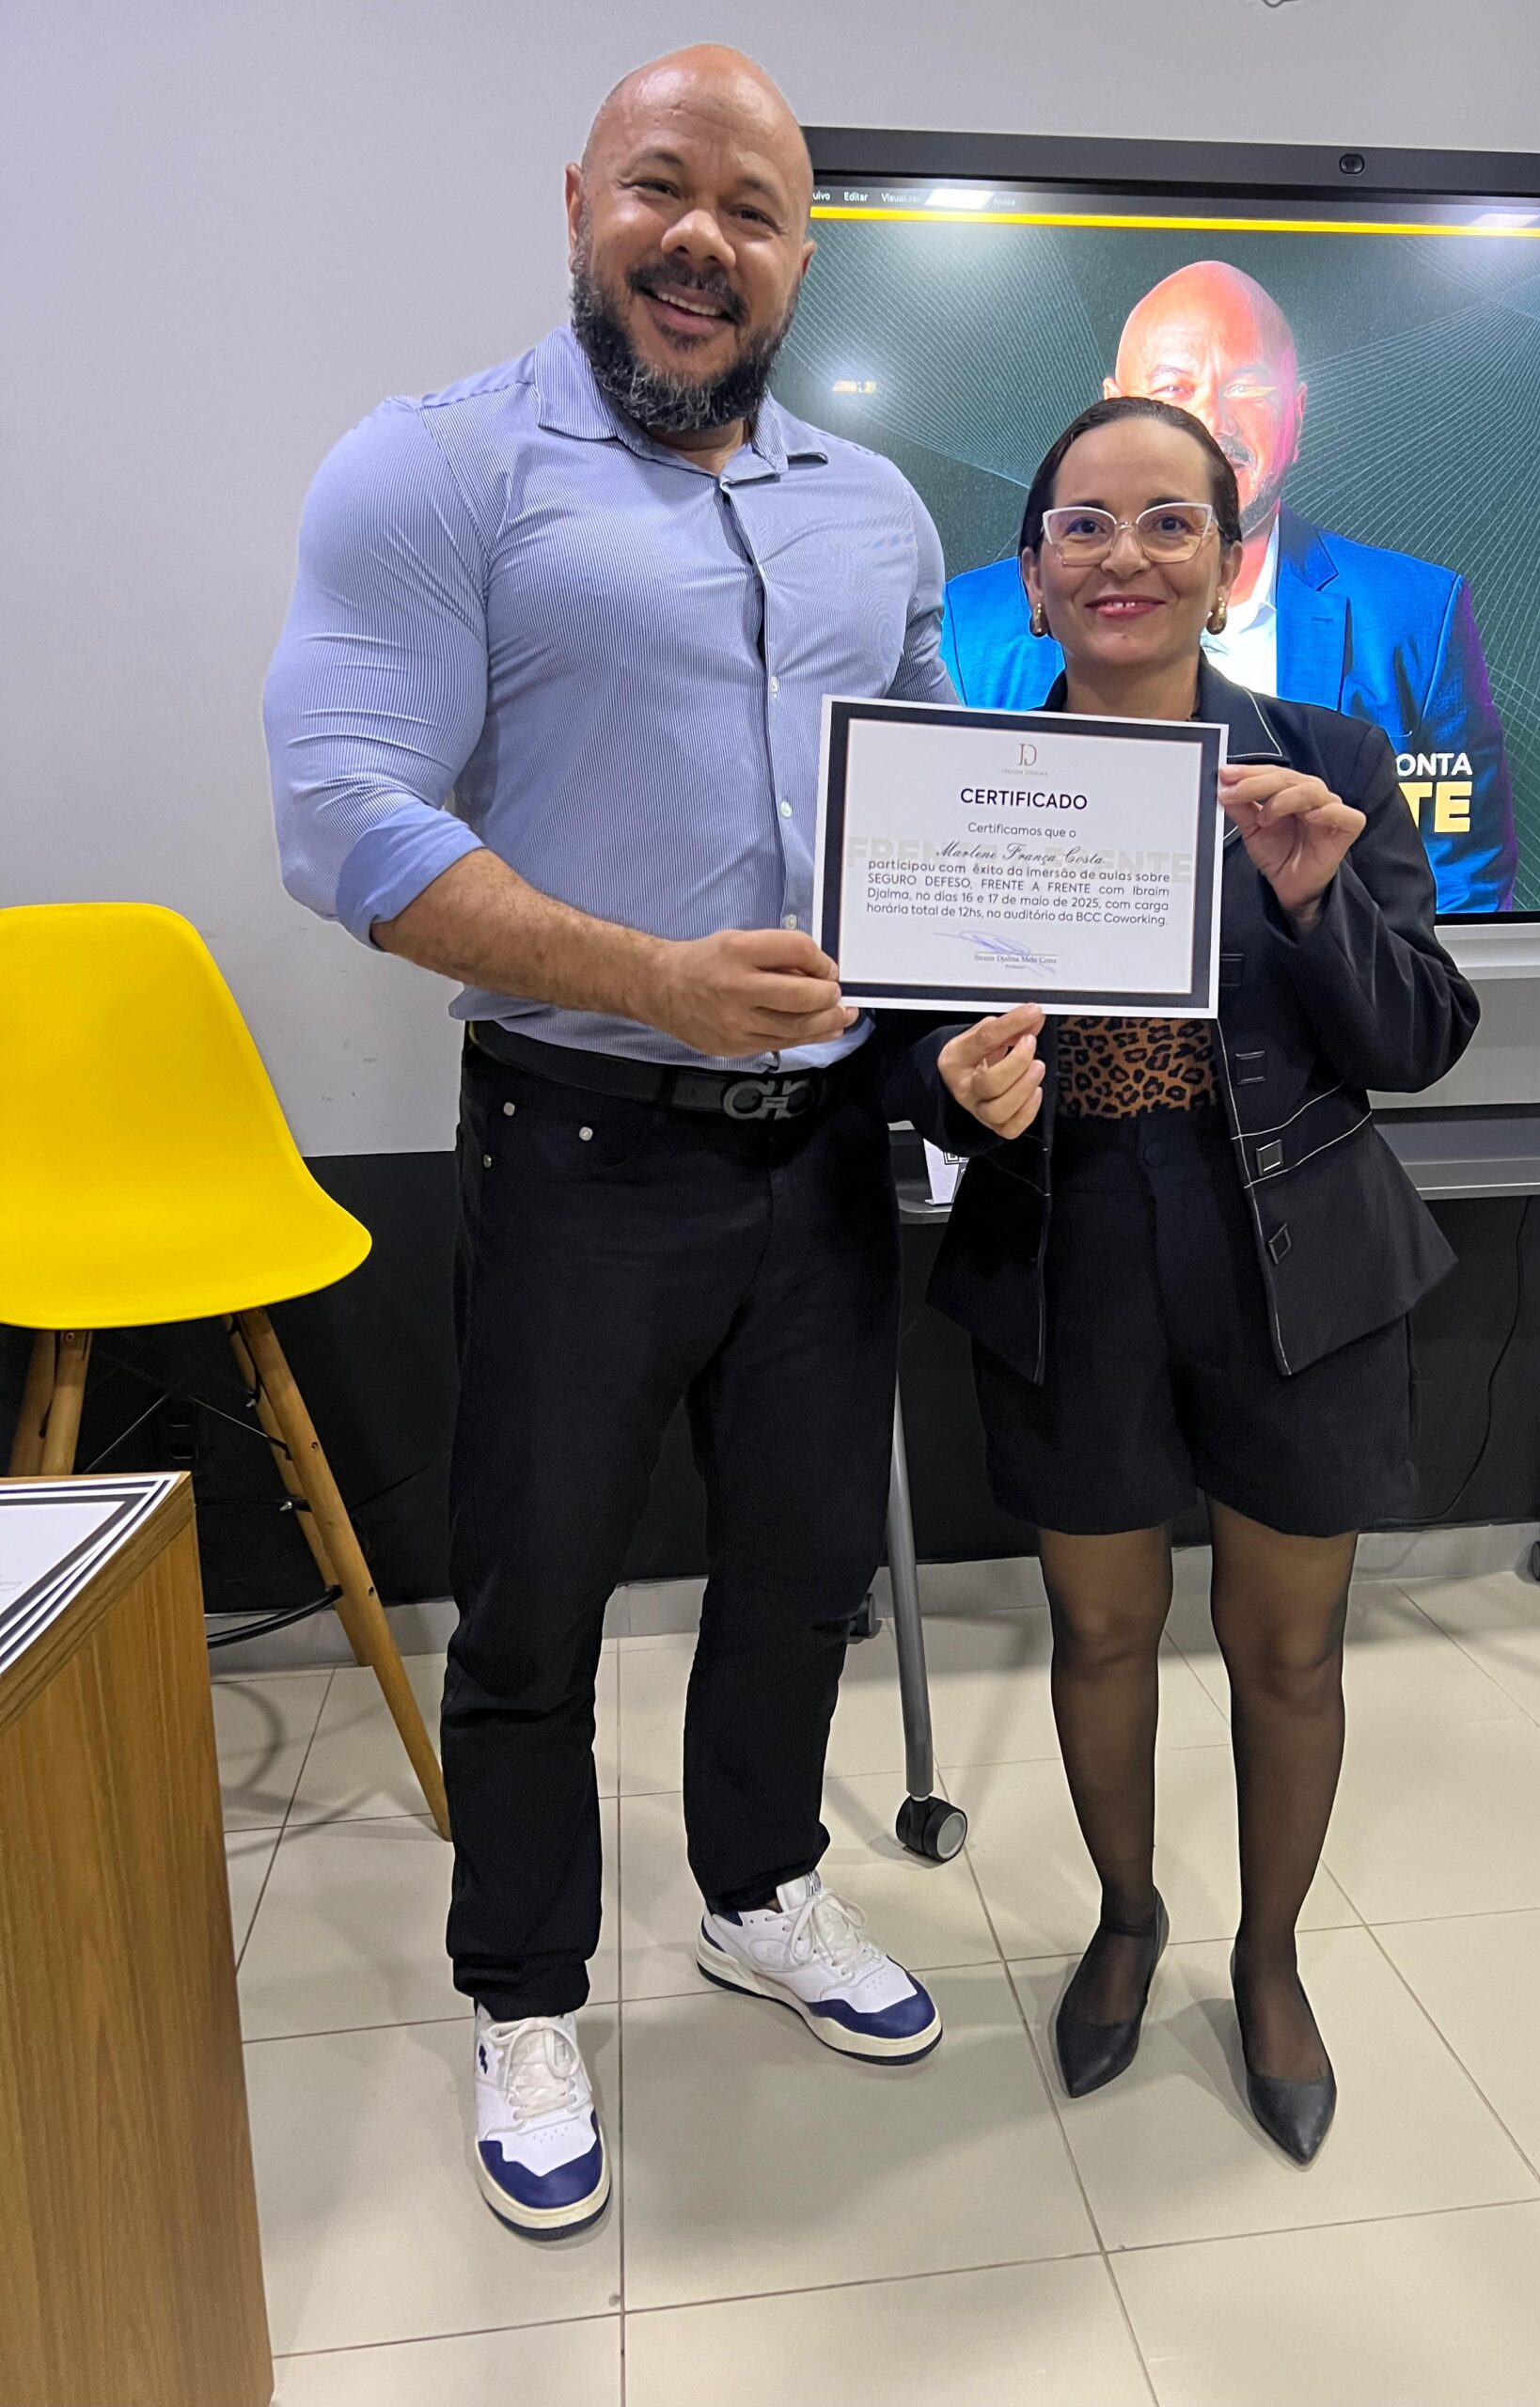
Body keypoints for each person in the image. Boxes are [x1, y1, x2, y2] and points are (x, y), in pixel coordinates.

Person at [264, 47, 950, 2241]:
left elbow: (932, 821)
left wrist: (1011, 991)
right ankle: (523, 1987)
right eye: (665, 188)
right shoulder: (433, 467)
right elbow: (343, 815)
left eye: (755, 211)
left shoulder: (880, 511)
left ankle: (757, 1887)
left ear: (802, 257)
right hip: (578, 1138)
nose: (703, 242)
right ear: (580, 199)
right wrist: (648, 974)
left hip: (828, 1154)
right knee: (537, 1594)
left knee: (800, 1564)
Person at [887, 396, 1478, 2162]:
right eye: (1083, 524)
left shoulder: (1328, 757)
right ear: (1032, 575)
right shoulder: (973, 785)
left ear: (1227, 567)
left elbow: (1419, 1038)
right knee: (1098, 1627)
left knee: (1288, 1648)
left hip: (1292, 1254)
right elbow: (915, 1044)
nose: (1123, 555)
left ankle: (1270, 1957)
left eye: (1169, 523)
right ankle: (1128, 1917)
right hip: (1068, 1252)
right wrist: (955, 1093)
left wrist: (1316, 902)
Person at [941, 261, 1518, 916]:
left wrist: (1318, 911)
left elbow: (1460, 905)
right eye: (1174, 387)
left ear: (1297, 413)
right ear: (1111, 407)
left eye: (1248, 388)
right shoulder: (970, 631)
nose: (1213, 422)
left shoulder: (1416, 618)